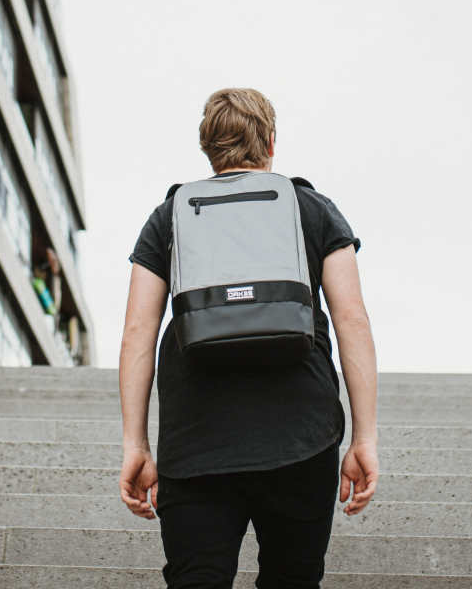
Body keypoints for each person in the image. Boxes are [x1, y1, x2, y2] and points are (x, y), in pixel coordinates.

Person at [118, 87, 379, 589]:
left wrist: (136, 443)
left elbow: (137, 333)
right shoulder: (312, 208)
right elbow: (353, 321)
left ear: (207, 148)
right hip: (301, 437)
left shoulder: (169, 215)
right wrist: (364, 437)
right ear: (272, 142)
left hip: (196, 444)